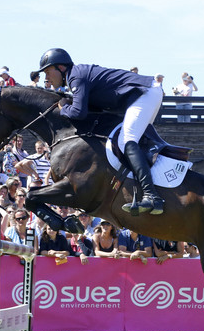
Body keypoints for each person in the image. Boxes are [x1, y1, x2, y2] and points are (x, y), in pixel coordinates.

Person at [35, 47, 165, 215]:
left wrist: (63, 108)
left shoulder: (75, 76)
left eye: (47, 72)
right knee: (132, 142)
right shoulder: (76, 76)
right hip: (145, 94)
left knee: (127, 141)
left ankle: (151, 195)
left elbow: (78, 113)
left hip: (144, 93)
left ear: (61, 67)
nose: (46, 78)